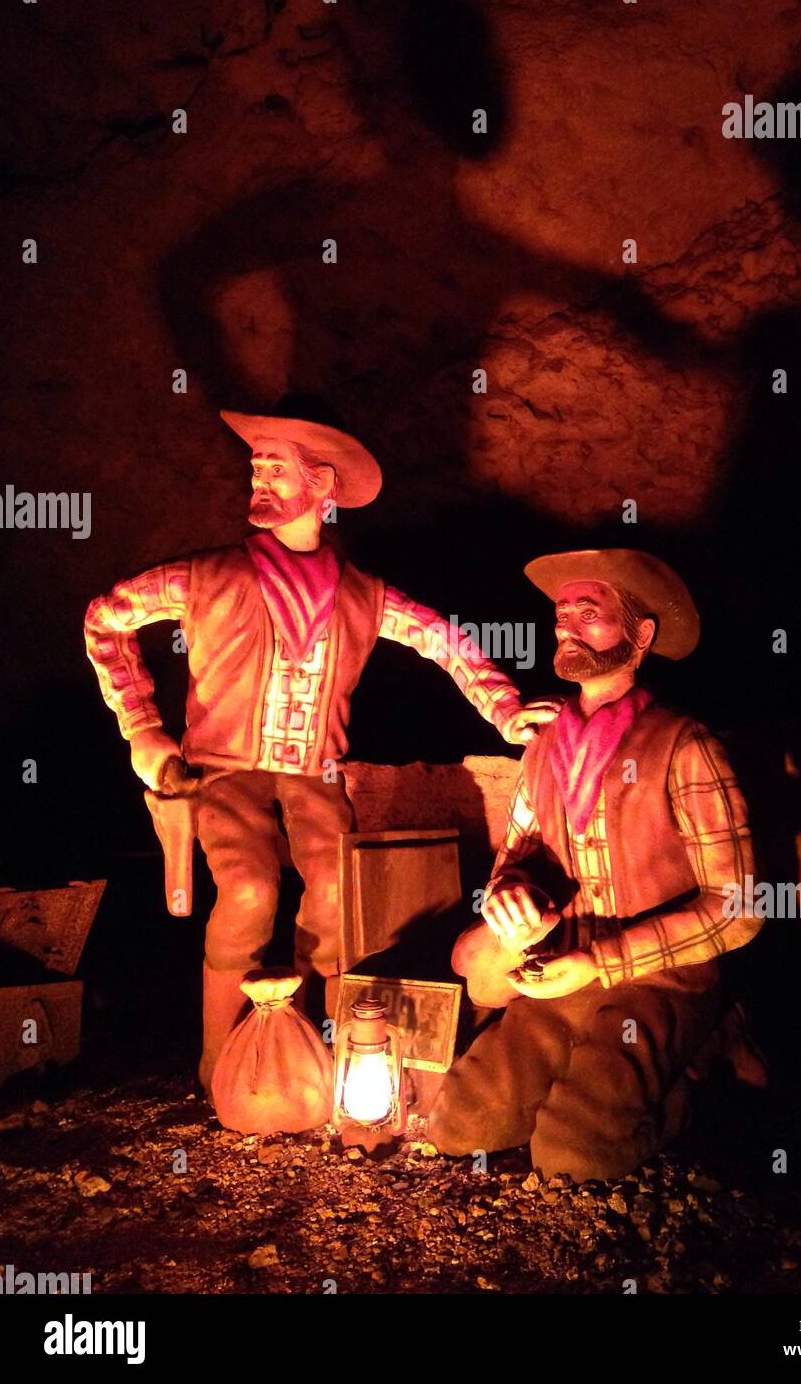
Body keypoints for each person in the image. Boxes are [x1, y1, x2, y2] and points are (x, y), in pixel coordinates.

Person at [84, 409, 558, 1092]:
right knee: (247, 889)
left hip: (317, 770)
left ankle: (324, 1057)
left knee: (338, 895)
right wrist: (144, 729)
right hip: (223, 768)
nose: (262, 481)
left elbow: (444, 643)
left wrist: (506, 710)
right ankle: (220, 1060)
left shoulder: (362, 595)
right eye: (258, 469)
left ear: (323, 486)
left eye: (277, 469)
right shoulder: (210, 575)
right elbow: (106, 618)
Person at [429, 548, 765, 1181]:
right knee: (459, 1125)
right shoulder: (544, 742)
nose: (567, 627)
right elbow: (516, 852)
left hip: (661, 979)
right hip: (565, 973)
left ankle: (701, 1057)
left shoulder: (683, 744)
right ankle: (597, 1068)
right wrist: (511, 897)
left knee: (572, 1153)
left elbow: (739, 909)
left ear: (640, 637)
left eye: (590, 613)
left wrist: (607, 960)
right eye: (562, 614)